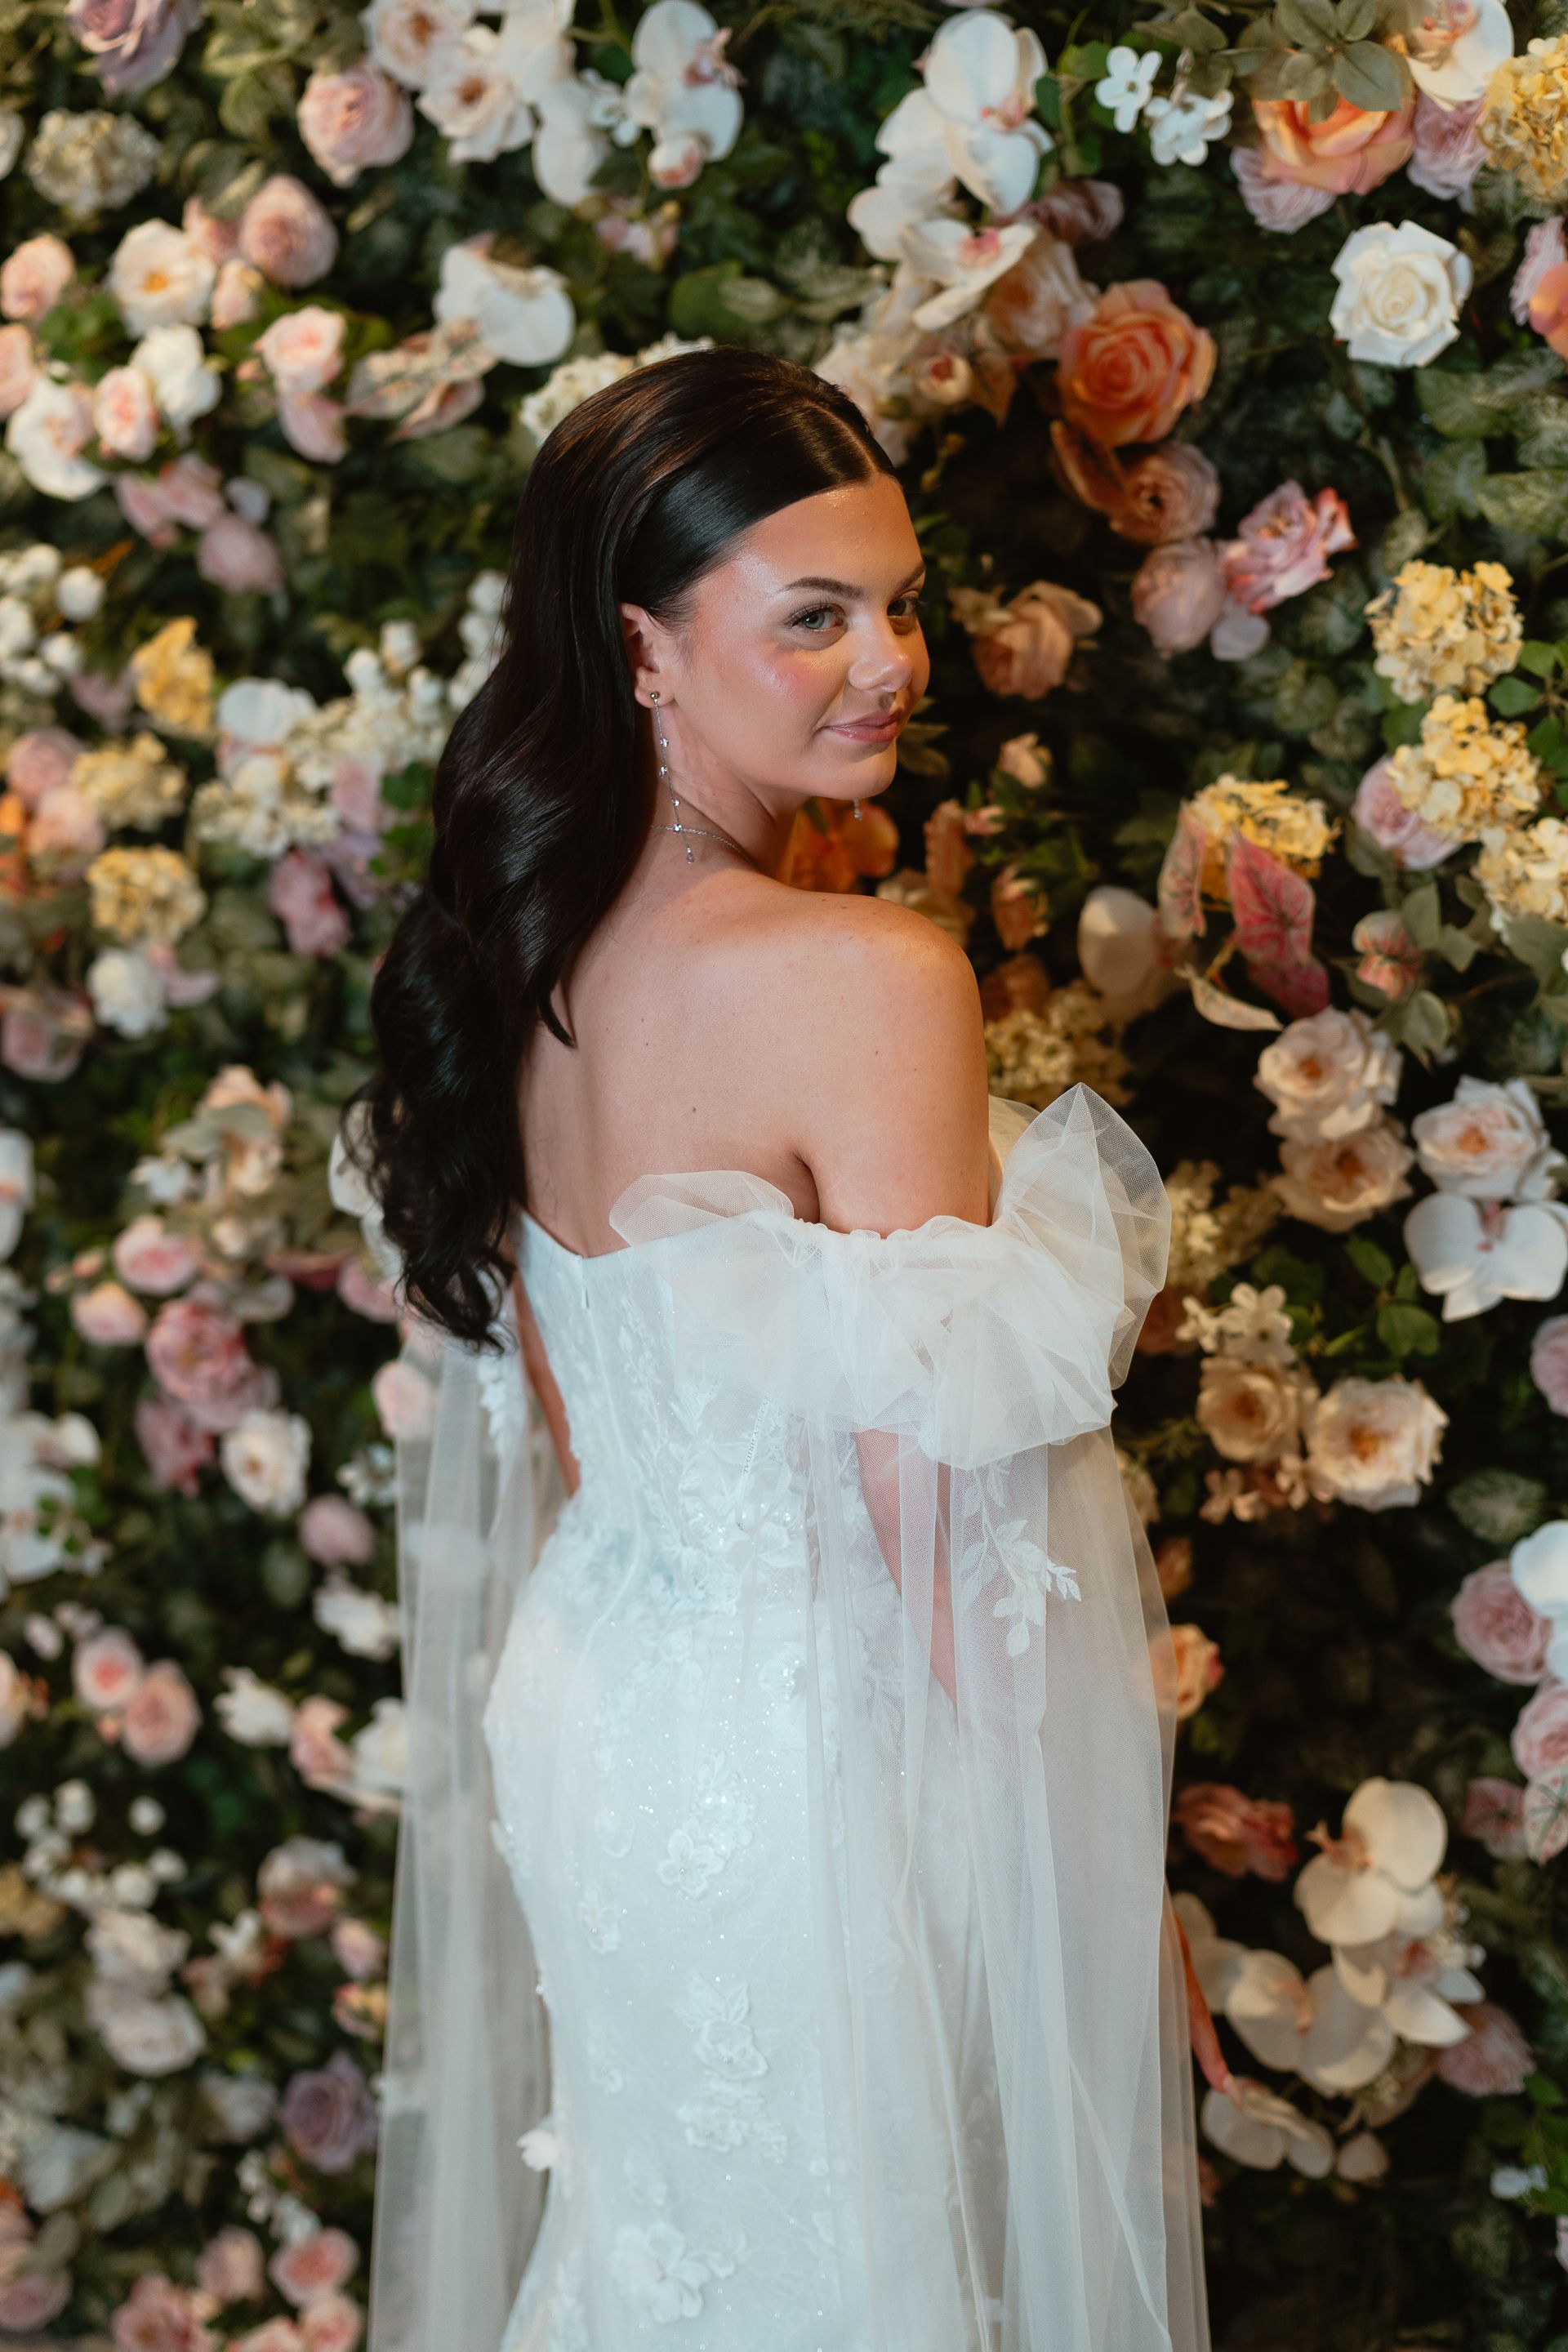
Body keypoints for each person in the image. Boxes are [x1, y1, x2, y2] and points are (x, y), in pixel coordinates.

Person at [346, 346, 1210, 2352]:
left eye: (896, 603)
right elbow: (940, 1529)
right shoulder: (865, 977)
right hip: (823, 1750)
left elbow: (577, 1431)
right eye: (811, 616)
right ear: (645, 648)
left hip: (608, 1715)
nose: (887, 661)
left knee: (671, 2249)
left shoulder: (521, 963)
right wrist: (1093, 1902)